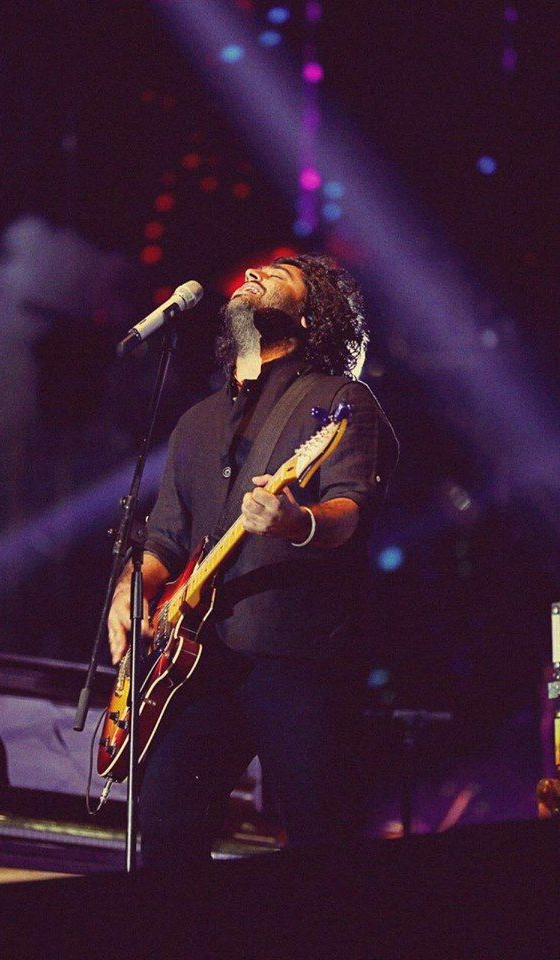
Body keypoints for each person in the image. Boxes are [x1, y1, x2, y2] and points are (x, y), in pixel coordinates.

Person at [108, 253, 398, 867]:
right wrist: (129, 594)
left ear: (311, 312)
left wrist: (297, 522)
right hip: (194, 660)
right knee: (164, 832)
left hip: (297, 654)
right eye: (252, 274)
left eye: (281, 275)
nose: (255, 276)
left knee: (320, 840)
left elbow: (350, 508)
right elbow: (164, 540)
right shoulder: (197, 420)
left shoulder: (340, 401)